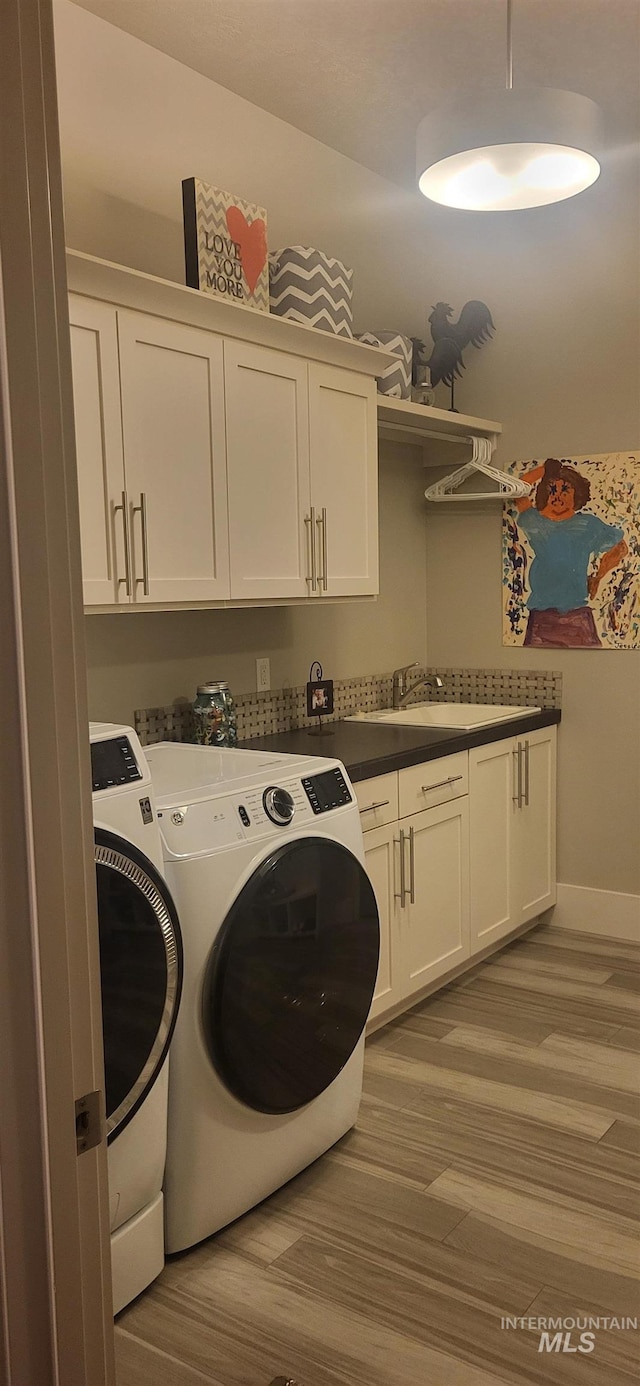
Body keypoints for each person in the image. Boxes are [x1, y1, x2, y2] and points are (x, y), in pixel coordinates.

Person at [515, 458, 628, 648]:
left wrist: (597, 577)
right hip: (541, 617)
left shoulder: (588, 525)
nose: (557, 495)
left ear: (577, 495)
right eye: (552, 489)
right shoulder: (535, 522)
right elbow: (519, 488)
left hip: (577, 616)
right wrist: (547, 469)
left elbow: (620, 548)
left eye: (565, 489)